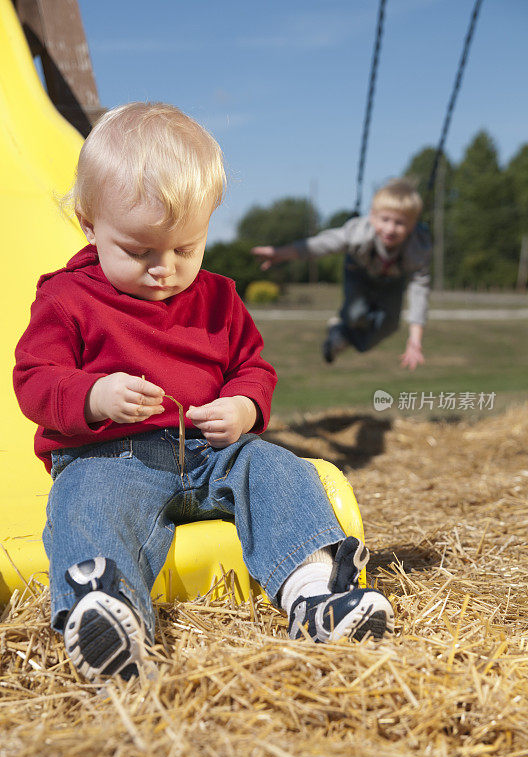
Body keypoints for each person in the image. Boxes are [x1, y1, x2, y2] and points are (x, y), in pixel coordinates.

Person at [13, 102, 393, 684]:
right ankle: (107, 609)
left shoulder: (219, 299)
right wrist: (92, 395)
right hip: (113, 457)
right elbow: (35, 381)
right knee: (83, 497)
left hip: (214, 455)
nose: (164, 268)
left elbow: (252, 368)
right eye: (139, 251)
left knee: (278, 469)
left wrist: (243, 407)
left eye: (186, 249)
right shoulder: (67, 299)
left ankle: (316, 594)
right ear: (89, 223)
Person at [252, 178, 432, 369]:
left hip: (392, 280)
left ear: (412, 225)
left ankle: (341, 336)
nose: (390, 228)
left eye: (399, 223)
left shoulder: (417, 249)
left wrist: (415, 339)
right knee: (356, 313)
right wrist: (281, 253)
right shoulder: (359, 234)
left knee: (388, 327)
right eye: (385, 219)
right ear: (372, 216)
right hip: (358, 271)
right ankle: (341, 327)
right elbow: (321, 245)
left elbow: (419, 290)